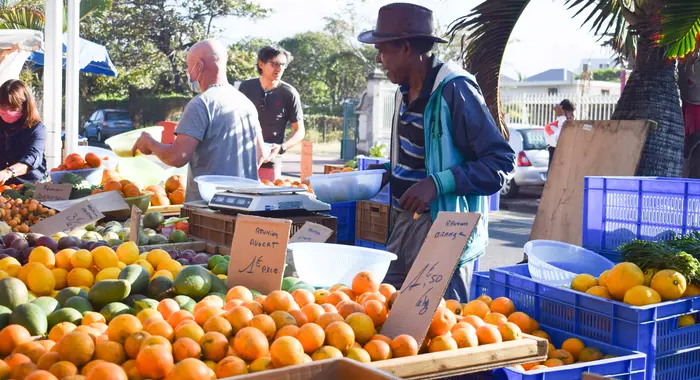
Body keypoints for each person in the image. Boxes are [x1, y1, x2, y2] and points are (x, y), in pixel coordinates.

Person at [358, 3, 515, 302]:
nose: (379, 60)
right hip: (403, 223)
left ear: (405, 48)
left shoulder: (455, 89)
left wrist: (438, 183)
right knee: (383, 313)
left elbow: (500, 164)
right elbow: (417, 159)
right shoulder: (401, 92)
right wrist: (382, 175)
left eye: (382, 50)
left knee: (440, 327)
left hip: (444, 229)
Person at [131, 39, 267, 202]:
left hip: (209, 209)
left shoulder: (201, 103)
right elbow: (261, 154)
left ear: (199, 66)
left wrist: (149, 142)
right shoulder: (245, 102)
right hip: (244, 204)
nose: (188, 73)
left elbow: (177, 156)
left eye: (189, 67)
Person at [238, 46, 305, 182]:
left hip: (270, 161)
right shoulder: (245, 88)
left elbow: (300, 131)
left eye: (282, 64)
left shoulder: (289, 93)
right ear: (261, 64)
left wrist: (282, 148)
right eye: (274, 63)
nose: (279, 68)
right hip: (242, 158)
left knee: (267, 199)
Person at [0, 79, 46, 185]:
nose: (6, 111)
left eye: (12, 107)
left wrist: (8, 172)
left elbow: (33, 157)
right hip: (3, 188)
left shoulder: (36, 128)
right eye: (2, 106)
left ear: (25, 106)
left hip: (31, 186)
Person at [544, 99, 575, 171]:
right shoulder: (550, 127)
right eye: (570, 114)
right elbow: (559, 141)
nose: (571, 117)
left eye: (573, 115)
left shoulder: (575, 127)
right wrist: (562, 118)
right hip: (556, 168)